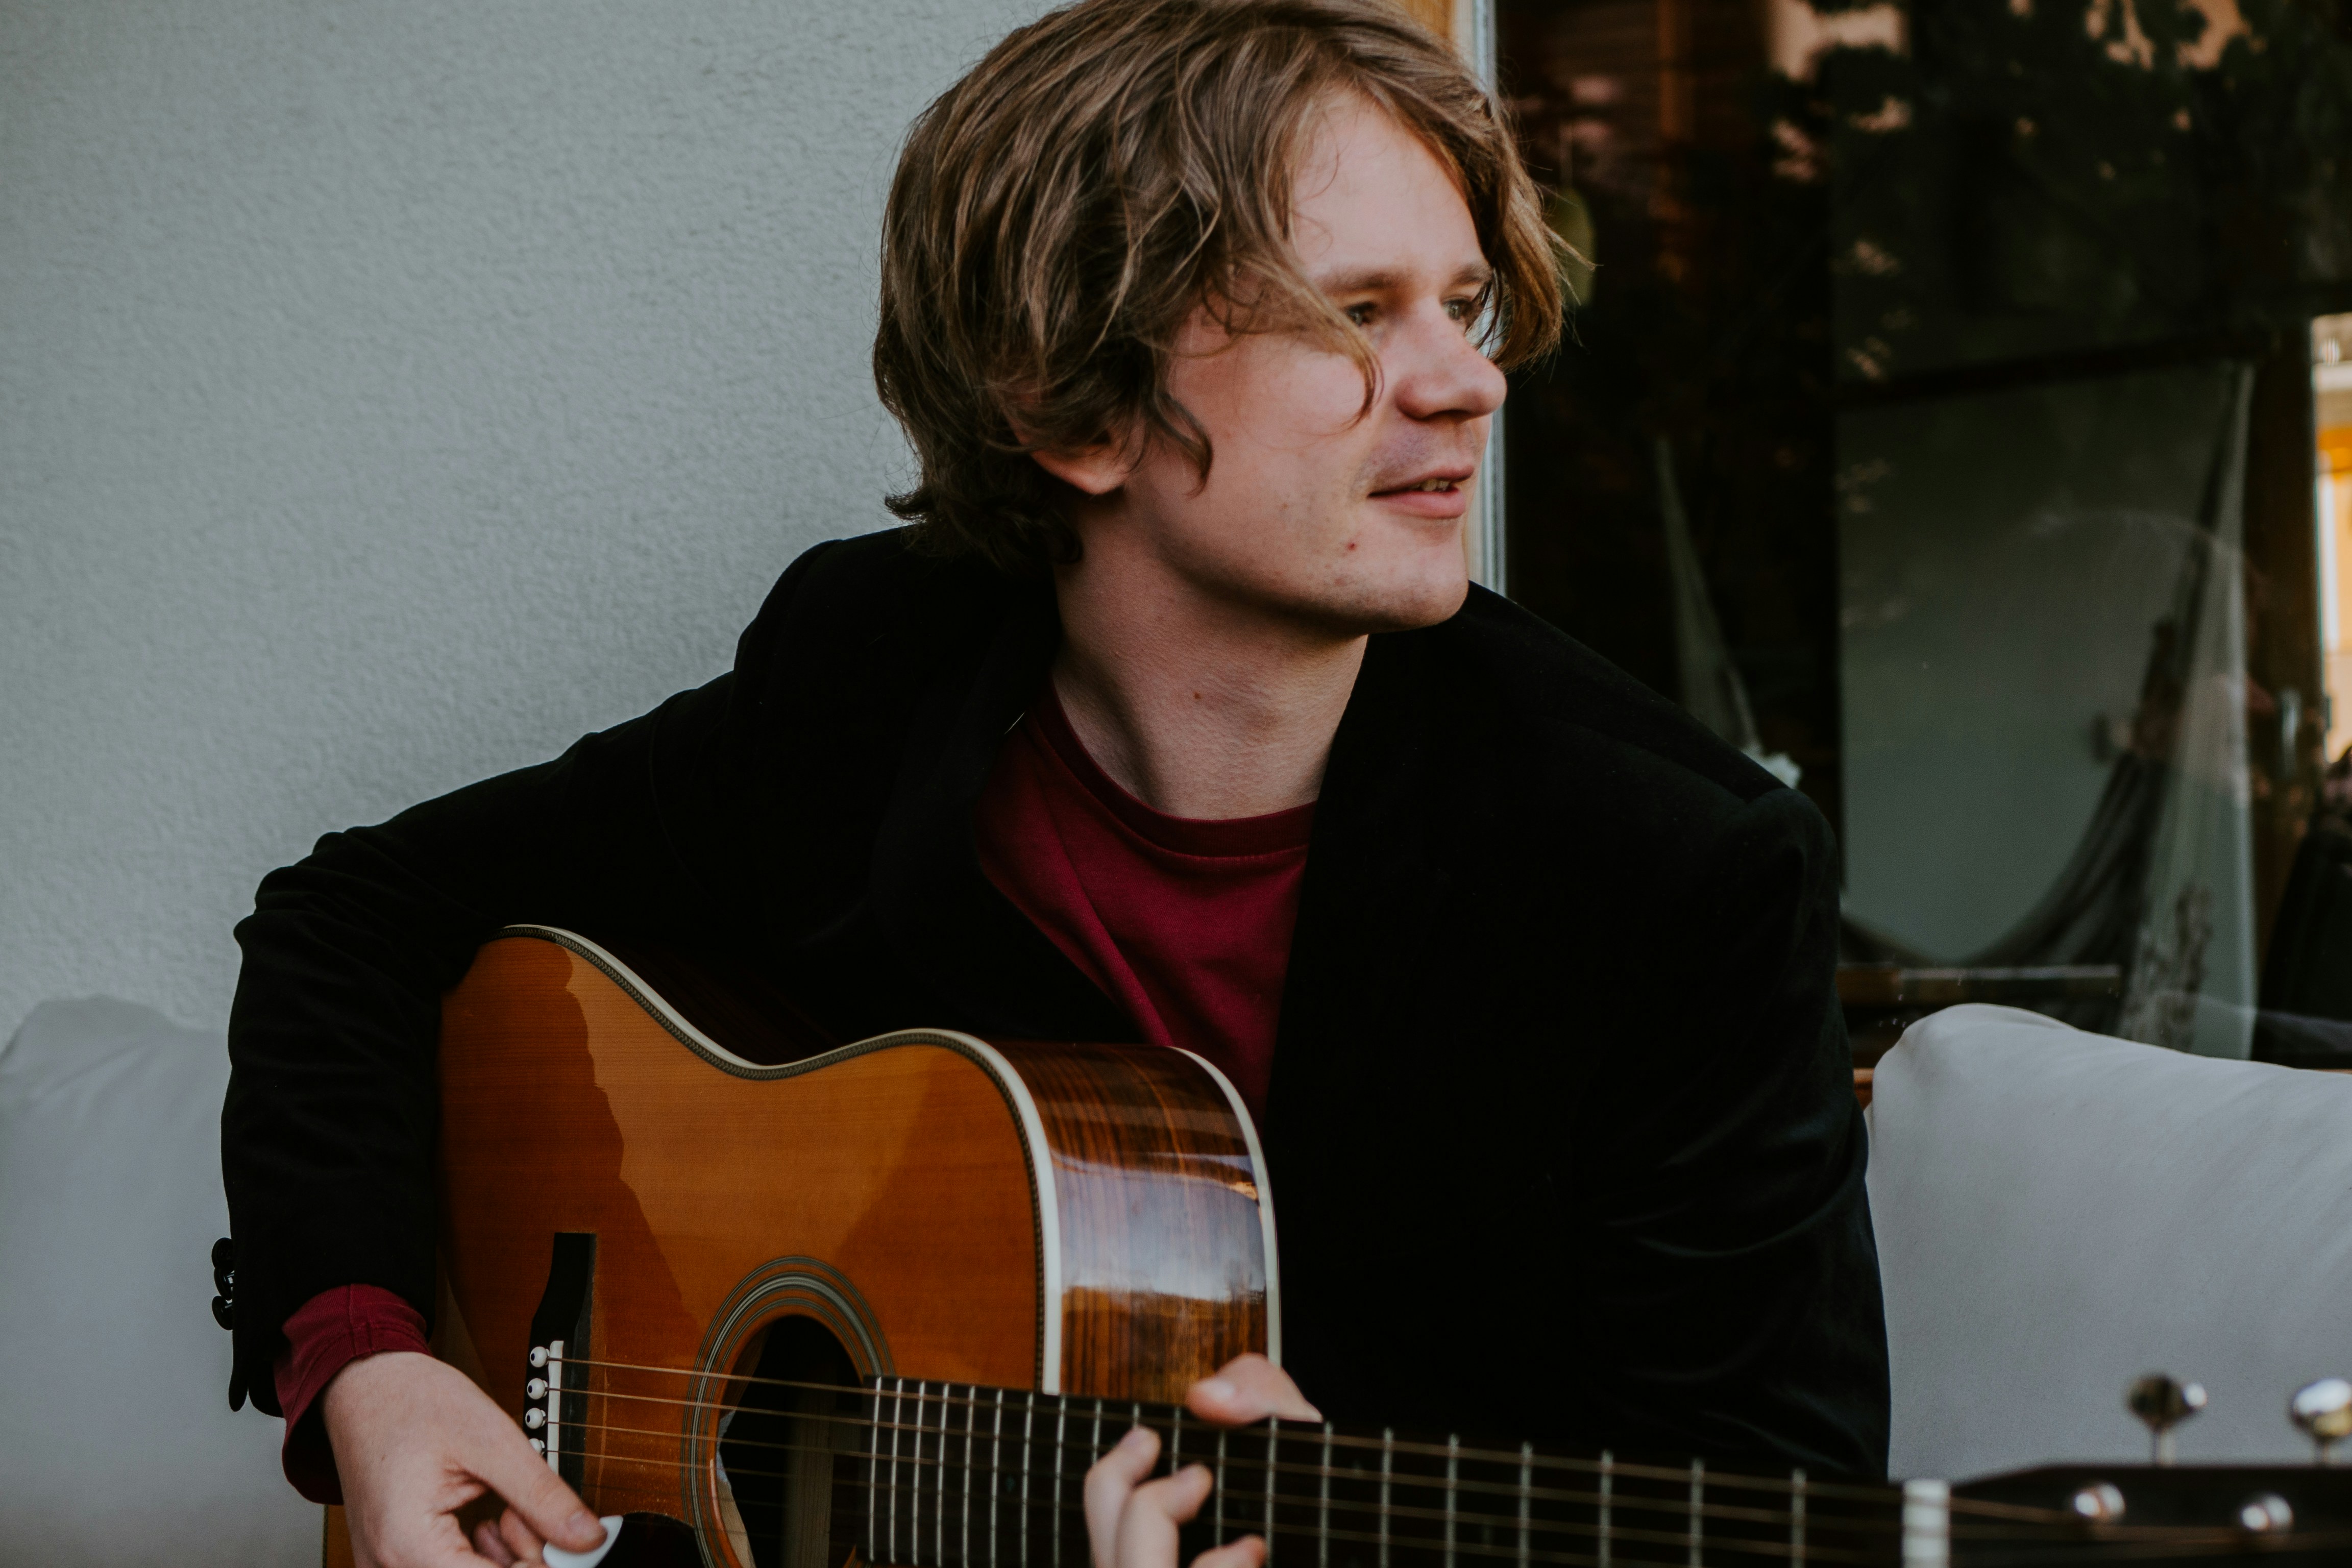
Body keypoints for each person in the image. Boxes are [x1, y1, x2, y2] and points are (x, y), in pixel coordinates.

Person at [221, 0, 1890, 1563]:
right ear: (1073, 406)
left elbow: (1775, 1510)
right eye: (1355, 316)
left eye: (1465, 306)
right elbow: (356, 916)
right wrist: (368, 1363)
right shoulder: (868, 688)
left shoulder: (1670, 874)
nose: (1466, 382)